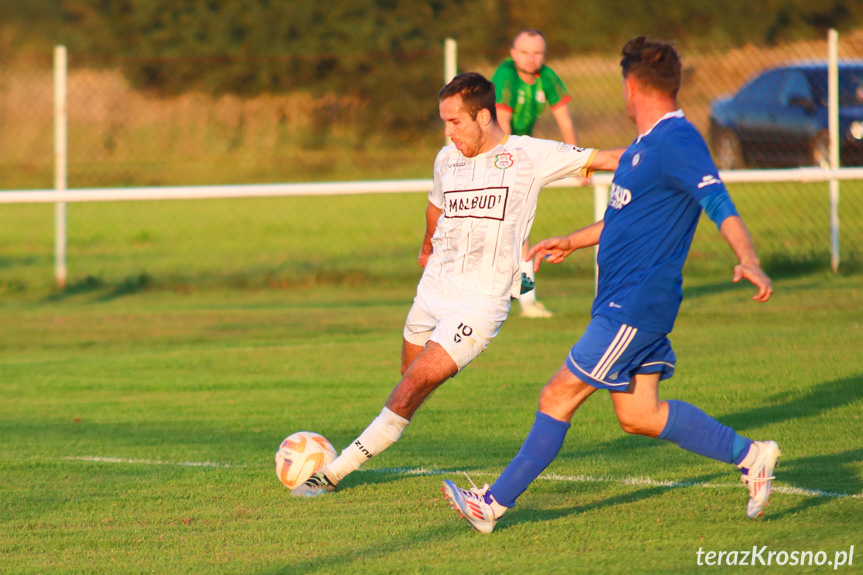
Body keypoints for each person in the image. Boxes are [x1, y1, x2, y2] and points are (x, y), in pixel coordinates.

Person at [442, 37, 780, 533]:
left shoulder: (677, 141)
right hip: (626, 302)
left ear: (631, 87)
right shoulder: (645, 149)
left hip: (634, 303)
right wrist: (574, 240)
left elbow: (718, 201)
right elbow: (625, 218)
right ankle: (752, 455)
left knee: (557, 395)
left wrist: (747, 257)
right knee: (640, 414)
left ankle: (491, 504)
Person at [291, 72, 622, 497]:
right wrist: (427, 246)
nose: (448, 132)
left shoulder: (529, 154)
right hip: (432, 289)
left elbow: (608, 157)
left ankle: (333, 473)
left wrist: (660, 153)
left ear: (484, 116)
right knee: (408, 380)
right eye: (444, 122)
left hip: (479, 303)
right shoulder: (446, 158)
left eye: (455, 122)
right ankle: (382, 433)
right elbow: (436, 204)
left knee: (413, 387)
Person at [493, 29, 580, 319]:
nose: (532, 58)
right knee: (507, 231)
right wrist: (507, 165)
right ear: (513, 53)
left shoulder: (548, 77)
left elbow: (564, 121)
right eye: (525, 52)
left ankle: (526, 300)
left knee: (518, 230)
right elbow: (501, 125)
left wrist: (576, 162)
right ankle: (520, 300)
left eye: (538, 53)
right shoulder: (505, 75)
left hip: (516, 155)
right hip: (495, 156)